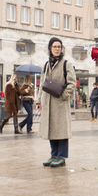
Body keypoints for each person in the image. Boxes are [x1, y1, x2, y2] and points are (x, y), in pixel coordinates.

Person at [36, 37, 76, 168]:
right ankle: (54, 155)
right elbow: (42, 83)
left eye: (59, 46)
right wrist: (39, 100)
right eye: (55, 46)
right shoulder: (47, 65)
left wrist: (64, 96)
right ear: (50, 49)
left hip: (60, 103)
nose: (57, 49)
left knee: (61, 130)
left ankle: (61, 156)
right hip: (48, 102)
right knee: (51, 129)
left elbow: (72, 83)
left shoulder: (66, 64)